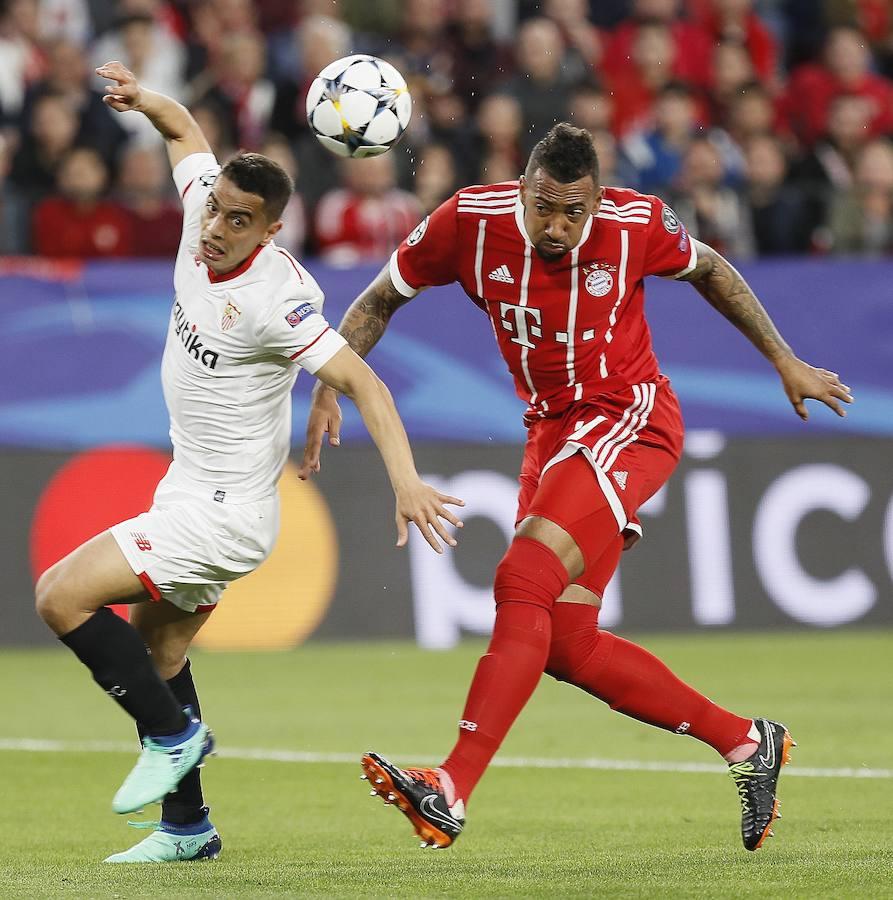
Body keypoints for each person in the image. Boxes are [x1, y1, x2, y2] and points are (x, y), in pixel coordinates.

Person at [303, 123, 853, 852]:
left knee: (521, 577)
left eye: (573, 213)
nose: (557, 227)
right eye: (543, 209)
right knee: (564, 641)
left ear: (596, 202)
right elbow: (377, 300)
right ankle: (748, 743)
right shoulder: (466, 222)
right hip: (550, 432)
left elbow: (714, 270)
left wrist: (783, 360)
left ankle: (451, 786)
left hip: (630, 418)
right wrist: (327, 388)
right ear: (521, 189)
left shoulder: (637, 223)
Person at [34, 61, 464, 864]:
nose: (217, 228)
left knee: (59, 597)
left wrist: (404, 481)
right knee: (159, 653)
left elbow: (364, 381)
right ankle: (188, 829)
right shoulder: (204, 201)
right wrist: (142, 98)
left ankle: (172, 740)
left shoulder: (278, 298)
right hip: (187, 486)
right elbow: (184, 133)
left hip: (227, 514)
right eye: (218, 210)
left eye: (240, 221)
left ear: (270, 232)